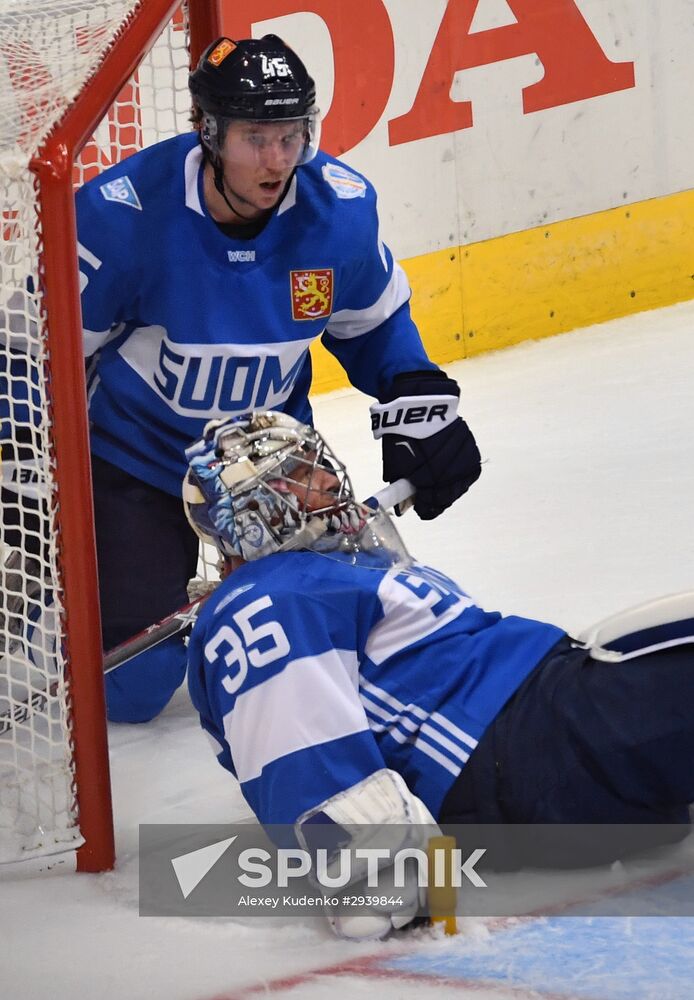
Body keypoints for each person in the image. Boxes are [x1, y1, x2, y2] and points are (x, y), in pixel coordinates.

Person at [71, 34, 481, 723]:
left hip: (271, 462)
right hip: (136, 461)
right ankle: (91, 586)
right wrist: (29, 462)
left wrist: (418, 400)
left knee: (344, 644)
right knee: (131, 692)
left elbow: (374, 327)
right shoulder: (123, 216)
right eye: (256, 137)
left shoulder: (338, 214)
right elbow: (42, 352)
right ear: (209, 132)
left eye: (291, 135)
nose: (278, 159)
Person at [182, 410, 694, 940]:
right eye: (300, 472)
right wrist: (371, 860)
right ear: (250, 511)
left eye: (319, 462)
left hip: (543, 729)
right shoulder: (264, 595)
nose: (331, 478)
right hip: (524, 744)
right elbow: (289, 733)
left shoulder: (336, 567)